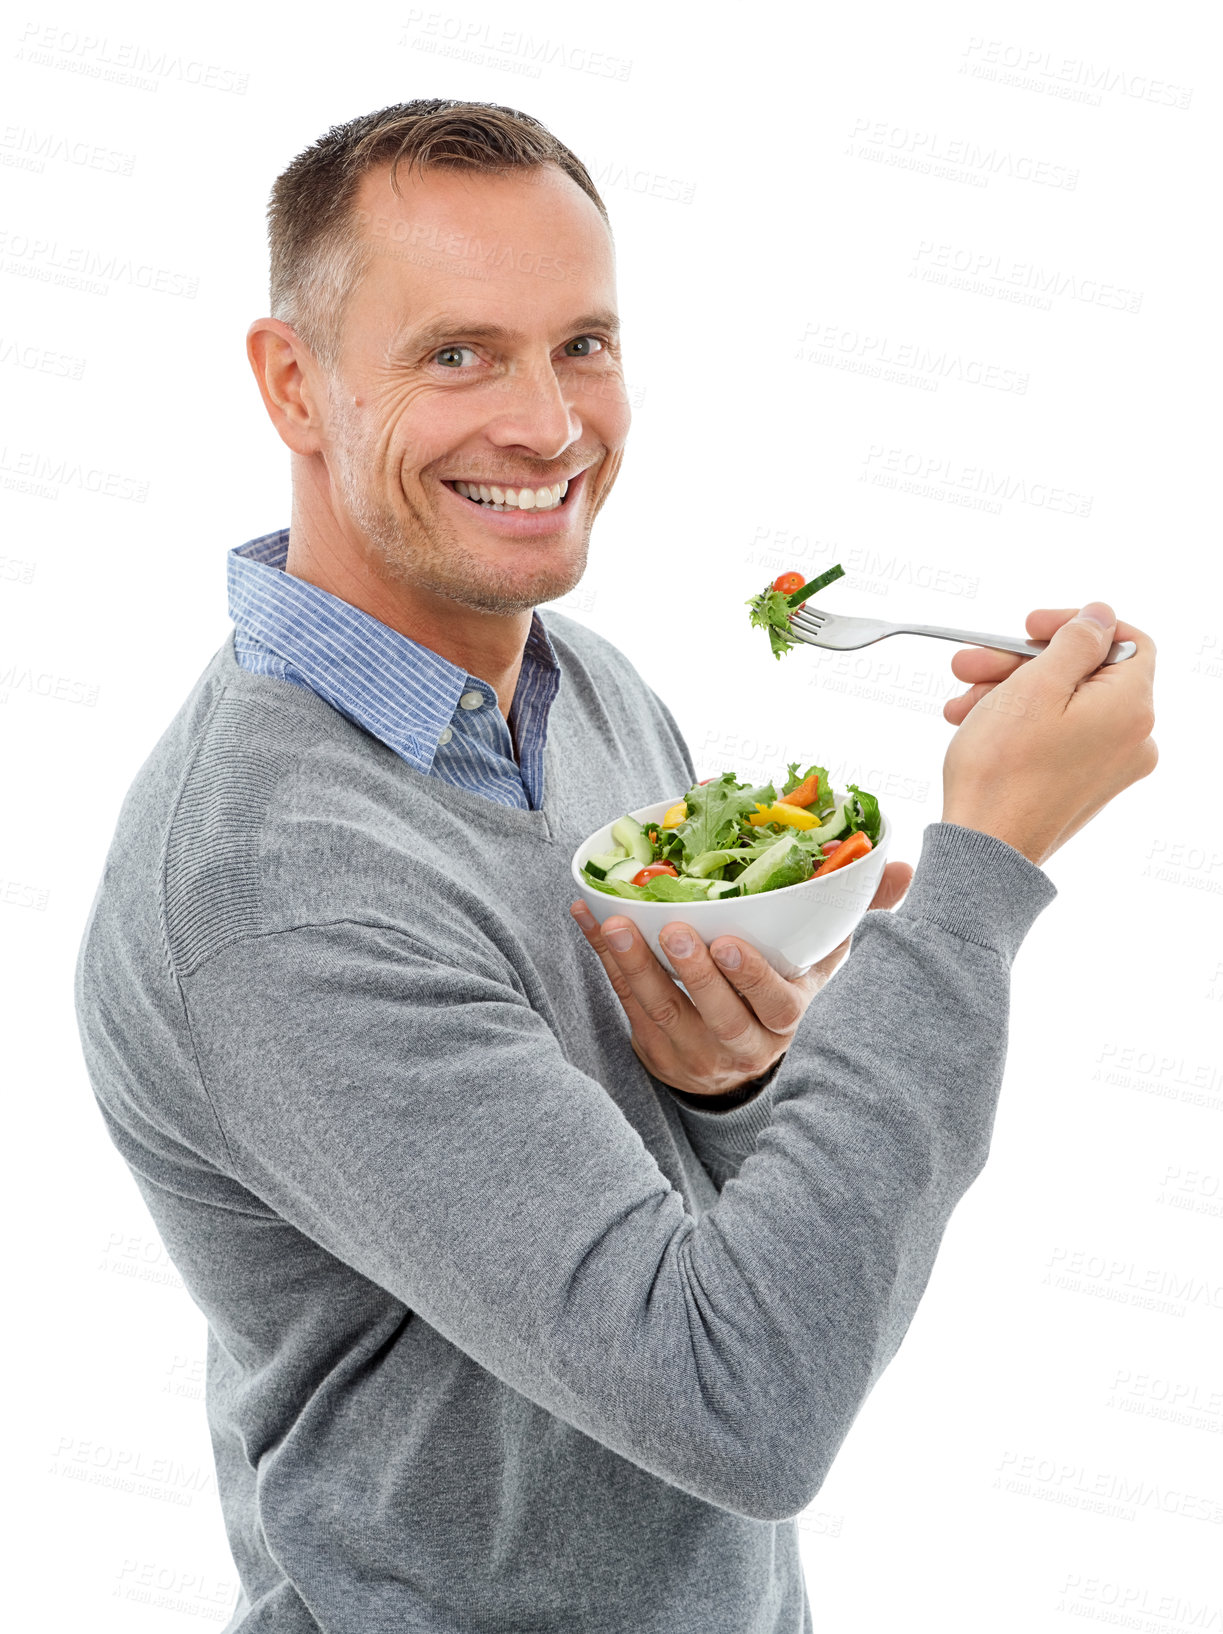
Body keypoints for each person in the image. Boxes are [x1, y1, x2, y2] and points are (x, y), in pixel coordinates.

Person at [73, 99, 1158, 1634]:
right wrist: (981, 872)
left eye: (583, 342)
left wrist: (721, 1091)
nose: (550, 422)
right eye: (458, 353)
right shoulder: (275, 881)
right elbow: (747, 1401)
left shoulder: (579, 689)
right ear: (291, 384)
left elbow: (691, 1239)